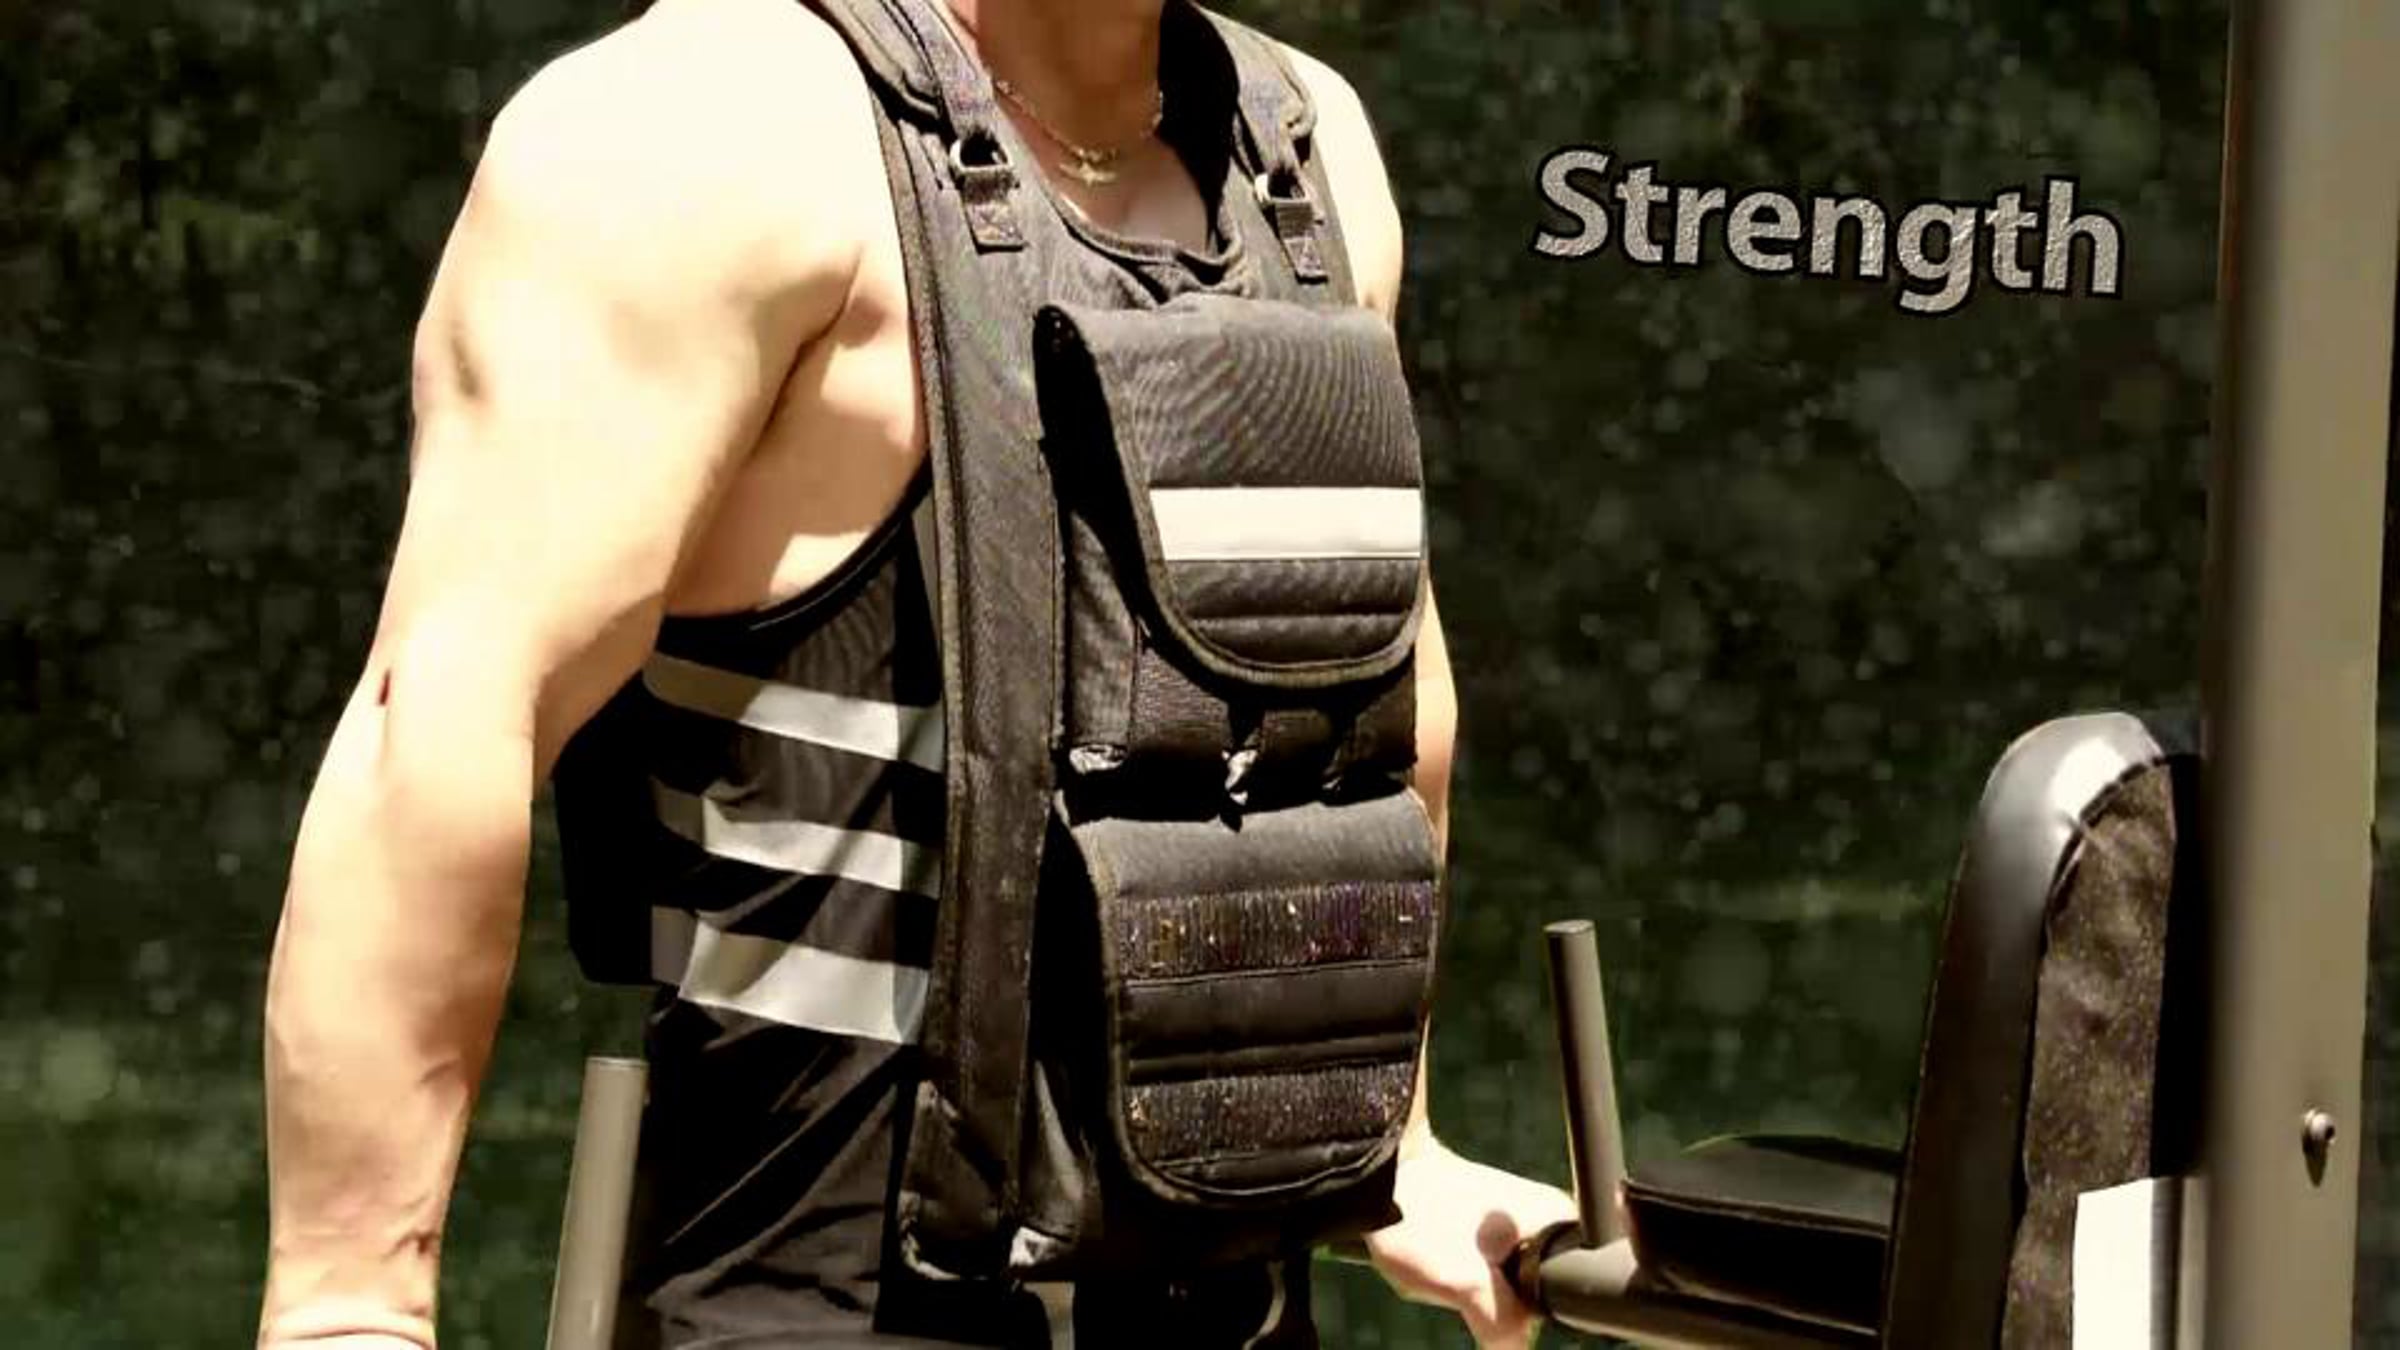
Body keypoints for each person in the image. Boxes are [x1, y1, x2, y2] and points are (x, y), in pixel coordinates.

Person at [255, 0, 1578, 1345]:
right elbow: (442, 719)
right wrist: (349, 1305)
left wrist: (1397, 1145)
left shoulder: (1302, 153)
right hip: (807, 1303)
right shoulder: (705, 132)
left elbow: (1378, 713)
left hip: (1230, 1299)